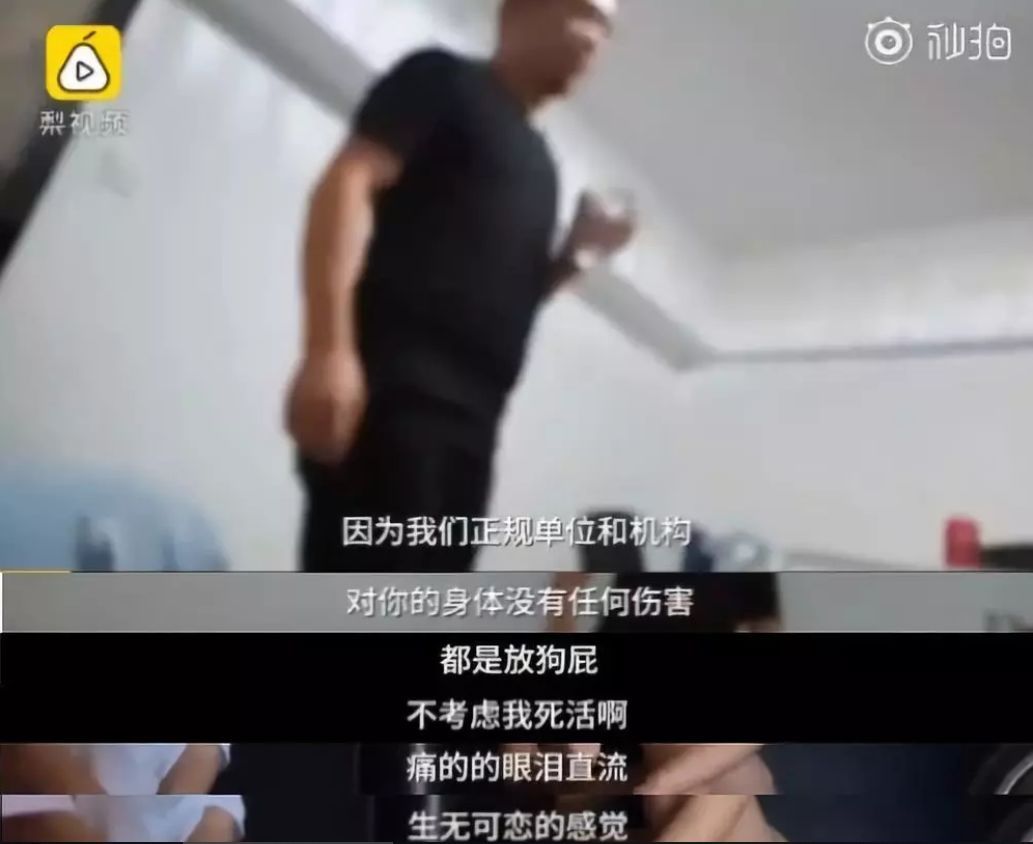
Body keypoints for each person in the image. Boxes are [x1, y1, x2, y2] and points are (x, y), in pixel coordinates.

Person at [286, 0, 636, 572]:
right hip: (394, 402)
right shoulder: (442, 80)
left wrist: (576, 256)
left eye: (606, 29)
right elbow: (348, 181)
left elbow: (513, 299)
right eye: (581, 11)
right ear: (516, 12)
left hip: (474, 434)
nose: (594, 39)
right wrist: (327, 349)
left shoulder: (544, 168)